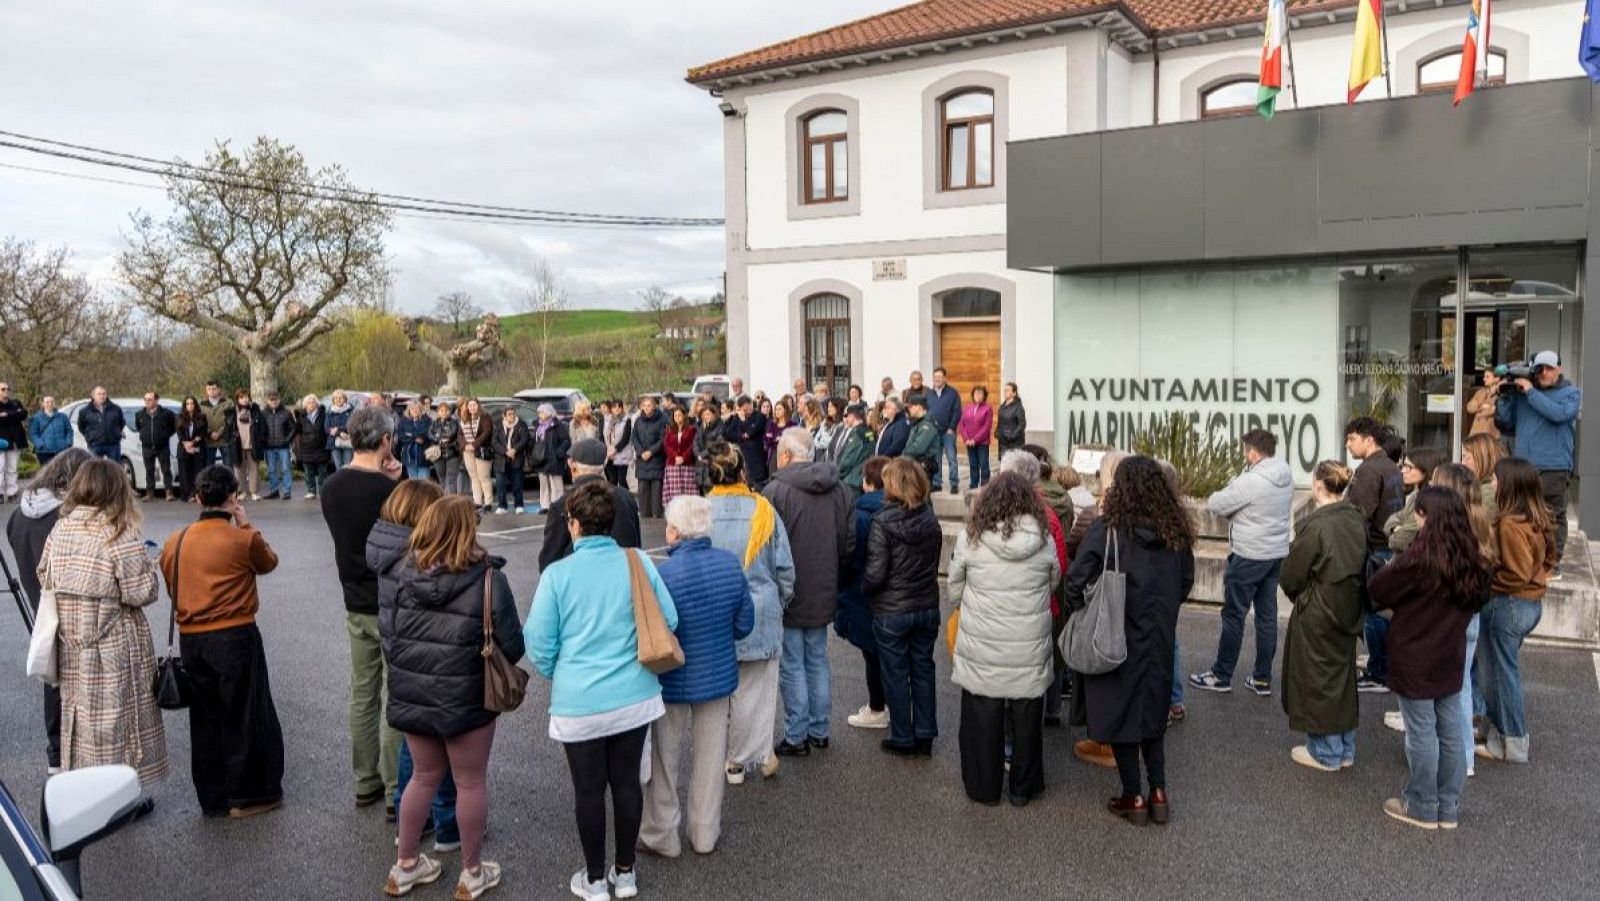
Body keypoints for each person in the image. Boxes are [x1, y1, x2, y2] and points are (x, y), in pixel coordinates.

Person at [526, 482, 679, 901]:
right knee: (627, 783)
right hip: (635, 694)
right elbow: (668, 618)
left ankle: (595, 880)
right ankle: (625, 873)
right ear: (611, 522)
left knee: (588, 790)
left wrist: (562, 672)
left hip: (579, 701)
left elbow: (538, 643)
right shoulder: (637, 561)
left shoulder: (557, 575)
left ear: (574, 524)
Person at [379, 496, 521, 899]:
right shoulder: (489, 578)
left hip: (414, 692)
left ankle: (406, 865)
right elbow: (513, 645)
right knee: (470, 782)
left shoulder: (402, 573)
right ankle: (472, 873)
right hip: (467, 695)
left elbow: (391, 634)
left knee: (422, 778)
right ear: (467, 530)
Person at [1064, 456, 1195, 826]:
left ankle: (1133, 795)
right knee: (1153, 713)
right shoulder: (1175, 532)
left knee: (1121, 714)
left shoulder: (1107, 529)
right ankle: (1159, 791)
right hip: (1158, 635)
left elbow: (1075, 579)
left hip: (1114, 632)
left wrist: (1082, 609)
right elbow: (1185, 583)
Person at [159, 465, 284, 818]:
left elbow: (171, 582)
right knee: (244, 713)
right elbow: (268, 562)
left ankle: (213, 796)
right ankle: (248, 794)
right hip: (234, 633)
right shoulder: (242, 540)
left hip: (192, 637)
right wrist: (245, 522)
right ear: (233, 497)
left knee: (205, 717)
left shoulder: (175, 540)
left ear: (198, 498)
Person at [1367, 487, 1490, 830]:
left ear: (1426, 516)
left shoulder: (1419, 559)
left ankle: (1421, 804)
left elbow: (1378, 589)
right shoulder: (1471, 558)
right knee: (1450, 731)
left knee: (1421, 732)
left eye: (1419, 513)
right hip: (1450, 653)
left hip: (1415, 654)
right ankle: (1448, 805)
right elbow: (1480, 597)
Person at [37, 458, 166, 783]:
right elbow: (142, 592)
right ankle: (117, 791)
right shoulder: (118, 533)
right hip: (114, 642)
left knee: (80, 717)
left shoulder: (60, 528)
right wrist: (151, 567)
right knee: (118, 720)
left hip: (71, 640)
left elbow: (43, 574)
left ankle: (83, 786)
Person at [641, 496, 755, 857]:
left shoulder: (663, 574)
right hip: (717, 676)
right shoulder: (730, 564)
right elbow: (744, 625)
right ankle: (704, 833)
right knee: (710, 757)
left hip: (671, 678)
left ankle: (661, 834)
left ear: (675, 531)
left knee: (664, 759)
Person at [948, 472, 1061, 806]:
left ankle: (983, 787)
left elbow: (954, 588)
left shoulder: (971, 537)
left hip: (983, 642)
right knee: (1027, 718)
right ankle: (1024, 788)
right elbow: (1053, 580)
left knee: (981, 715)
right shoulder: (1043, 538)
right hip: (1028, 642)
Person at [365, 480, 459, 857]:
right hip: (431, 662)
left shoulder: (386, 552)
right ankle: (447, 823)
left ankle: (410, 822)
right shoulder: (418, 559)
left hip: (401, 660)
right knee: (444, 748)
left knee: (413, 746)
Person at [318, 405, 405, 811]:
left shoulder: (331, 486)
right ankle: (394, 787)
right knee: (396, 695)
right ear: (386, 440)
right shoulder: (391, 492)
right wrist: (399, 481)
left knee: (363, 692)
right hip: (392, 601)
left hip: (354, 599)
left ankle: (365, 780)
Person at [703, 441, 795, 784]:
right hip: (759, 607)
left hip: (714, 611)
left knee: (718, 695)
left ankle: (730, 757)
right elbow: (784, 568)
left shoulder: (702, 511)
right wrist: (779, 602)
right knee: (757, 692)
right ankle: (750, 755)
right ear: (742, 471)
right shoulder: (763, 510)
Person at [763, 428, 852, 758]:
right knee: (817, 658)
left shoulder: (775, 491)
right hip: (825, 583)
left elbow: (767, 546)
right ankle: (819, 729)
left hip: (790, 588)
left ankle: (797, 734)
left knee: (792, 663)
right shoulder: (839, 489)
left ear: (786, 455)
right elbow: (849, 540)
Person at [5, 448, 92, 773]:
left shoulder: (20, 514)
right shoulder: (65, 516)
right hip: (70, 606)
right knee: (80, 683)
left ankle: (56, 754)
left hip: (40, 604)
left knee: (52, 677)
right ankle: (81, 755)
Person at [1189, 429, 1294, 696]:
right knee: (1267, 616)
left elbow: (1217, 503)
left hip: (1248, 556)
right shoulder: (1285, 474)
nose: (1244, 455)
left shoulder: (1251, 481)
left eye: (1246, 451)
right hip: (1275, 554)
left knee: (1234, 615)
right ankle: (1262, 678)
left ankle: (1221, 675)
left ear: (1253, 453)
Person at [1278, 461, 1366, 772]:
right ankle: (1344, 748)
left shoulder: (1316, 525)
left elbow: (1291, 575)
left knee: (1316, 678)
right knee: (1342, 675)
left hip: (1319, 608)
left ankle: (1326, 751)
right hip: (1349, 606)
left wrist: (1301, 597)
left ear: (1317, 485)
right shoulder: (1355, 518)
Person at [863, 457, 943, 757]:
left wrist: (865, 589)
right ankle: (925, 733)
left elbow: (875, 574)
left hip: (893, 609)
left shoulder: (882, 522)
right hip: (926, 605)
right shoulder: (930, 518)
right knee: (923, 669)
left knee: (895, 673)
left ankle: (903, 735)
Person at [1476, 457, 1552, 766]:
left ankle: (1512, 742)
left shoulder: (1509, 524)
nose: (1492, 483)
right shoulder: (1536, 518)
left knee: (1498, 674)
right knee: (1499, 671)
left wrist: (1489, 583)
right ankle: (1497, 734)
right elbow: (1547, 561)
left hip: (1508, 604)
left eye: (1496, 479)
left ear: (1508, 484)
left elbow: (1516, 574)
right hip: (1528, 604)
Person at [1431, 463, 1497, 774]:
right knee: (1461, 689)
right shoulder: (1481, 526)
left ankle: (1451, 759)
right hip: (1470, 617)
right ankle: (1464, 757)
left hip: (1446, 619)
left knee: (1444, 692)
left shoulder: (1448, 533)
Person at [1492, 351, 1580, 571]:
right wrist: (1505, 396)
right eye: (1540, 369)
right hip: (1524, 466)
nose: (1544, 373)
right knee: (1522, 514)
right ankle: (1525, 560)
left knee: (1552, 516)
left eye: (1549, 368)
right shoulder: (1523, 395)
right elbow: (1506, 425)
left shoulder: (1571, 393)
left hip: (1554, 467)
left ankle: (1552, 563)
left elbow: (1559, 414)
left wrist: (1530, 391)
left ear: (1559, 370)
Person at [1344, 416, 1405, 693]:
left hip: (1375, 549)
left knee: (1374, 612)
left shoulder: (1369, 471)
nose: (1348, 445)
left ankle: (1379, 672)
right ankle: (1382, 666)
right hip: (1387, 546)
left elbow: (1357, 516)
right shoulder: (1390, 465)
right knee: (1382, 610)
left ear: (1369, 440)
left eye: (1352, 439)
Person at [836, 456, 889, 730]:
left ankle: (877, 707)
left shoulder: (861, 514)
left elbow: (850, 556)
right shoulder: (904, 508)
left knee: (872, 652)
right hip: (897, 594)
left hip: (865, 591)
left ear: (868, 483)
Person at [537, 439, 642, 570]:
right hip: (624, 572)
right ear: (604, 465)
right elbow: (635, 545)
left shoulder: (563, 504)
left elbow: (549, 561)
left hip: (580, 576)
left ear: (573, 467)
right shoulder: (625, 497)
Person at [129, 391, 175, 501]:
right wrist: (144, 436)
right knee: (149, 471)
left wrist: (165, 435)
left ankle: (169, 492)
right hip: (147, 447)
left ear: (156, 400)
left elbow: (173, 427)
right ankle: (150, 493)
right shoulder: (139, 414)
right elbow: (139, 427)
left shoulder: (166, 413)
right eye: (145, 399)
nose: (147, 402)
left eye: (150, 399)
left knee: (166, 470)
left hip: (162, 446)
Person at [925, 368, 962, 494]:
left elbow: (957, 411)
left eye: (940, 376)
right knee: (936, 459)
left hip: (948, 432)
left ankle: (954, 483)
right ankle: (937, 483)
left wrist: (952, 427)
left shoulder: (952, 393)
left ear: (945, 378)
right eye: (935, 377)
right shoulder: (929, 394)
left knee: (952, 458)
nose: (937, 379)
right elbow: (925, 412)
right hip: (933, 433)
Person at [529, 403, 570, 515]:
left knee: (556, 484)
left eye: (542, 412)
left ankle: (557, 506)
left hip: (554, 458)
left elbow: (566, 441)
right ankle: (545, 506)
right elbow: (534, 441)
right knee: (544, 484)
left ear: (549, 413)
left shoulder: (558, 425)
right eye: (539, 412)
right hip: (541, 458)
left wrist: (559, 453)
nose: (540, 414)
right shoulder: (538, 426)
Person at [632, 394, 667, 519]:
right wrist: (641, 452)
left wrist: (651, 452)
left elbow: (662, 439)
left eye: (649, 405)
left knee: (656, 488)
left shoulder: (661, 420)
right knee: (643, 488)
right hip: (642, 459)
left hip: (656, 459)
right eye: (644, 405)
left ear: (654, 406)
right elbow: (634, 438)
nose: (647, 408)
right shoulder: (638, 421)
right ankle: (644, 512)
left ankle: (656, 513)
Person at [458, 398, 496, 512]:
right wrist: (465, 445)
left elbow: (486, 432)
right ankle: (477, 501)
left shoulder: (485, 417)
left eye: (474, 405)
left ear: (478, 405)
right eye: (470, 405)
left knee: (484, 476)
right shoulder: (464, 418)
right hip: (467, 451)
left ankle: (488, 502)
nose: (472, 407)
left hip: (482, 450)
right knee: (474, 477)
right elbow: (460, 434)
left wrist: (474, 445)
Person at [723, 396, 769, 489]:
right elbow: (729, 434)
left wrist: (744, 421)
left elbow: (751, 432)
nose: (746, 411)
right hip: (742, 457)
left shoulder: (760, 417)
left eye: (748, 408)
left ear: (751, 405)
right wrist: (742, 436)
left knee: (758, 488)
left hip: (755, 459)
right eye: (744, 409)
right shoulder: (737, 417)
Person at [491, 406, 529, 515]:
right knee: (500, 485)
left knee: (517, 484)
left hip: (516, 458)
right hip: (501, 459)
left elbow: (524, 439)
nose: (512, 416)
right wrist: (505, 452)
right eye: (509, 414)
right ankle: (502, 506)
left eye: (513, 414)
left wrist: (514, 450)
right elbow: (494, 442)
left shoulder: (521, 425)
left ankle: (519, 505)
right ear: (504, 416)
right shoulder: (498, 425)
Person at [294, 395, 332, 499]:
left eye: (313, 402)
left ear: (317, 404)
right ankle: (311, 491)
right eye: (309, 402)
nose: (311, 404)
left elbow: (328, 429)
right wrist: (286, 440)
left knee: (323, 471)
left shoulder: (324, 415)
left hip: (322, 447)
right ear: (305, 405)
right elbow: (295, 430)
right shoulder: (301, 417)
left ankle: (323, 490)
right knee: (308, 471)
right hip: (306, 448)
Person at [957, 386, 993, 491]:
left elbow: (987, 427)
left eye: (980, 393)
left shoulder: (988, 408)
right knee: (973, 464)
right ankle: (973, 485)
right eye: (976, 393)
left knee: (983, 464)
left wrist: (975, 440)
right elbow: (962, 424)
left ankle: (985, 487)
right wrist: (966, 439)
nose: (978, 395)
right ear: (973, 395)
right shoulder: (967, 407)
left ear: (984, 396)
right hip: (969, 442)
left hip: (982, 443)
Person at [77, 386, 126, 460]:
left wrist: (116, 433)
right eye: (99, 394)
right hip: (95, 444)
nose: (102, 396)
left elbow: (121, 423)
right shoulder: (85, 411)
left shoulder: (116, 409)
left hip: (113, 444)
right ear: (93, 395)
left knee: (114, 466)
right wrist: (89, 436)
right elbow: (81, 426)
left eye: (104, 394)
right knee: (95, 466)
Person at [662, 406, 698, 508]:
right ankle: (675, 512)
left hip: (687, 465)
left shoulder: (691, 429)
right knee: (674, 493)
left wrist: (683, 458)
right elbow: (666, 445)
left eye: (679, 415)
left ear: (684, 415)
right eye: (675, 416)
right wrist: (675, 457)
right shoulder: (669, 429)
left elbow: (692, 445)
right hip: (672, 465)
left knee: (687, 492)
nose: (677, 417)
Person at [835, 402, 872, 498]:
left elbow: (849, 459)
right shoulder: (868, 431)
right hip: (863, 477)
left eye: (847, 416)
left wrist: (837, 473)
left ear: (852, 416)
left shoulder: (856, 434)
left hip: (852, 480)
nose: (846, 419)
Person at [232, 389, 264, 501]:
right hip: (238, 444)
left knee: (254, 469)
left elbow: (261, 426)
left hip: (252, 444)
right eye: (241, 397)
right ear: (237, 399)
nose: (244, 399)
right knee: (239, 469)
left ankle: (254, 492)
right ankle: (241, 492)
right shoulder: (233, 411)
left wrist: (260, 438)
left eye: (246, 397)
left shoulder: (255, 410)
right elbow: (229, 428)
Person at [1462, 433, 1504, 517]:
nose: (1462, 463)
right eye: (1462, 457)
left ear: (1482, 458)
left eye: (1466, 457)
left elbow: (1482, 523)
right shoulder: (1481, 487)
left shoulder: (1487, 493)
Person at [901, 394, 941, 480]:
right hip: (915, 466)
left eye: (911, 406)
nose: (908, 409)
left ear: (919, 406)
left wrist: (903, 453)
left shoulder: (927, 425)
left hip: (922, 468)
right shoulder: (918, 423)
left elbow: (919, 448)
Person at [27, 395, 72, 470]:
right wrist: (40, 444)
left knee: (61, 471)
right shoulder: (36, 418)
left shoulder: (63, 417)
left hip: (61, 450)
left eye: (52, 402)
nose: (50, 404)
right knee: (46, 472)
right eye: (47, 402)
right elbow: (33, 433)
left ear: (54, 403)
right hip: (44, 451)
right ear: (43, 404)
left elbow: (69, 431)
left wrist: (68, 442)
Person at [428, 402, 463, 496]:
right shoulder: (434, 423)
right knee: (441, 477)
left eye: (446, 410)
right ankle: (443, 497)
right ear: (438, 412)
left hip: (452, 453)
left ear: (450, 412)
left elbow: (452, 433)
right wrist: (439, 440)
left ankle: (452, 499)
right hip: (437, 454)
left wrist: (440, 437)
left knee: (451, 478)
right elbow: (430, 434)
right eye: (442, 410)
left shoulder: (454, 422)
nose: (444, 412)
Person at [0, 380, 27, 501]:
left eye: (7, 389)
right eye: (3, 389)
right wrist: (14, 415)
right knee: (0, 468)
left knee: (12, 468)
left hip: (14, 440)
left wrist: (7, 415)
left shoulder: (15, 403)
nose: (6, 391)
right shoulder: (15, 408)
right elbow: (17, 416)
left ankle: (12, 492)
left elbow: (23, 414)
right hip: (1, 441)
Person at [175, 396, 206, 502]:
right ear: (184, 405)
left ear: (195, 405)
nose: (190, 405)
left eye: (192, 403)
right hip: (184, 449)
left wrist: (192, 443)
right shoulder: (179, 417)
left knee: (198, 473)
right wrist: (186, 445)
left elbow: (203, 433)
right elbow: (179, 433)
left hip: (197, 447)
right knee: (185, 473)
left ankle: (197, 494)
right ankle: (188, 495)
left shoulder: (201, 417)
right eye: (187, 403)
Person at [200, 381, 235, 469]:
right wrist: (210, 433)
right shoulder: (201, 404)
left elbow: (230, 420)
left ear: (219, 389)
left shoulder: (228, 402)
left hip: (225, 439)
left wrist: (220, 432)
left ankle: (228, 479)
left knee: (228, 467)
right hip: (208, 440)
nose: (211, 391)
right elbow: (200, 422)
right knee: (208, 468)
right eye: (209, 389)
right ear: (206, 390)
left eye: (214, 389)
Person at [397, 401, 433, 482]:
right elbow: (401, 436)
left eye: (417, 408)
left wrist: (409, 434)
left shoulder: (427, 420)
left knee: (424, 483)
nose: (415, 410)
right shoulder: (403, 421)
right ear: (409, 410)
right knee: (413, 482)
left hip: (424, 456)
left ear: (421, 410)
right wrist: (414, 438)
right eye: (412, 408)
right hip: (409, 457)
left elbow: (424, 433)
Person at [604, 400, 633, 489]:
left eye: (619, 407)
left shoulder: (627, 420)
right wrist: (608, 450)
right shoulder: (607, 420)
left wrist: (614, 450)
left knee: (621, 480)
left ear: (622, 408)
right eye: (614, 407)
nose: (617, 409)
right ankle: (613, 497)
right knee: (612, 480)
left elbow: (625, 439)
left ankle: (626, 497)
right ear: (611, 409)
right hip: (609, 454)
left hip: (621, 453)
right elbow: (604, 436)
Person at [693, 405, 722, 494]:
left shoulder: (719, 427)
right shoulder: (700, 427)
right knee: (702, 494)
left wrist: (703, 455)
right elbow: (695, 443)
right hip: (700, 465)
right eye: (704, 414)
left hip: (712, 463)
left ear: (714, 414)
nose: (706, 417)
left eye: (708, 414)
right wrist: (698, 455)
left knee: (712, 493)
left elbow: (717, 444)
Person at [1464, 370, 1500, 439]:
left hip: (1490, 433)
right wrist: (1482, 406)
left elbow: (1496, 410)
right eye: (1484, 377)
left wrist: (1480, 407)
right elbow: (1469, 408)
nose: (1484, 379)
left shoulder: (1500, 394)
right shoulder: (1480, 392)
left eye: (1487, 377)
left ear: (1496, 379)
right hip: (1475, 431)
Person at [996, 382, 1026, 457]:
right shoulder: (1002, 407)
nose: (1005, 392)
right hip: (1003, 442)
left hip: (1015, 443)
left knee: (1014, 462)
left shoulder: (1018, 407)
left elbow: (1022, 424)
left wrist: (1012, 435)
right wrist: (997, 432)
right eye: (1005, 390)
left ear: (1014, 393)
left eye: (1008, 390)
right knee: (1004, 462)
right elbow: (1000, 422)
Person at [327, 389, 355, 470]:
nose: (338, 400)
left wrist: (337, 429)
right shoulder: (329, 412)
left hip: (347, 440)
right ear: (333, 400)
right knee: (338, 465)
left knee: (348, 465)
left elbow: (351, 425)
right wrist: (339, 433)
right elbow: (326, 428)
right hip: (334, 442)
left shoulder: (351, 411)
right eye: (336, 398)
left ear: (345, 399)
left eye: (340, 398)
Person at [763, 401, 794, 474]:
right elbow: (766, 439)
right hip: (773, 453)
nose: (777, 411)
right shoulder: (772, 424)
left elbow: (792, 440)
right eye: (776, 409)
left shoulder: (792, 424)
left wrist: (775, 438)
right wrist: (775, 439)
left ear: (785, 410)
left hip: (787, 454)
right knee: (773, 475)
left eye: (779, 409)